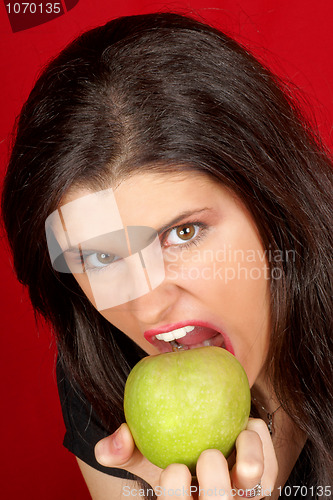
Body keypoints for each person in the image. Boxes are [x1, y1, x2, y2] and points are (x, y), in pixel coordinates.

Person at [1, 12, 332, 500]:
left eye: (184, 231)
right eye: (98, 257)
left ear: (273, 208)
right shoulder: (98, 371)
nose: (147, 305)